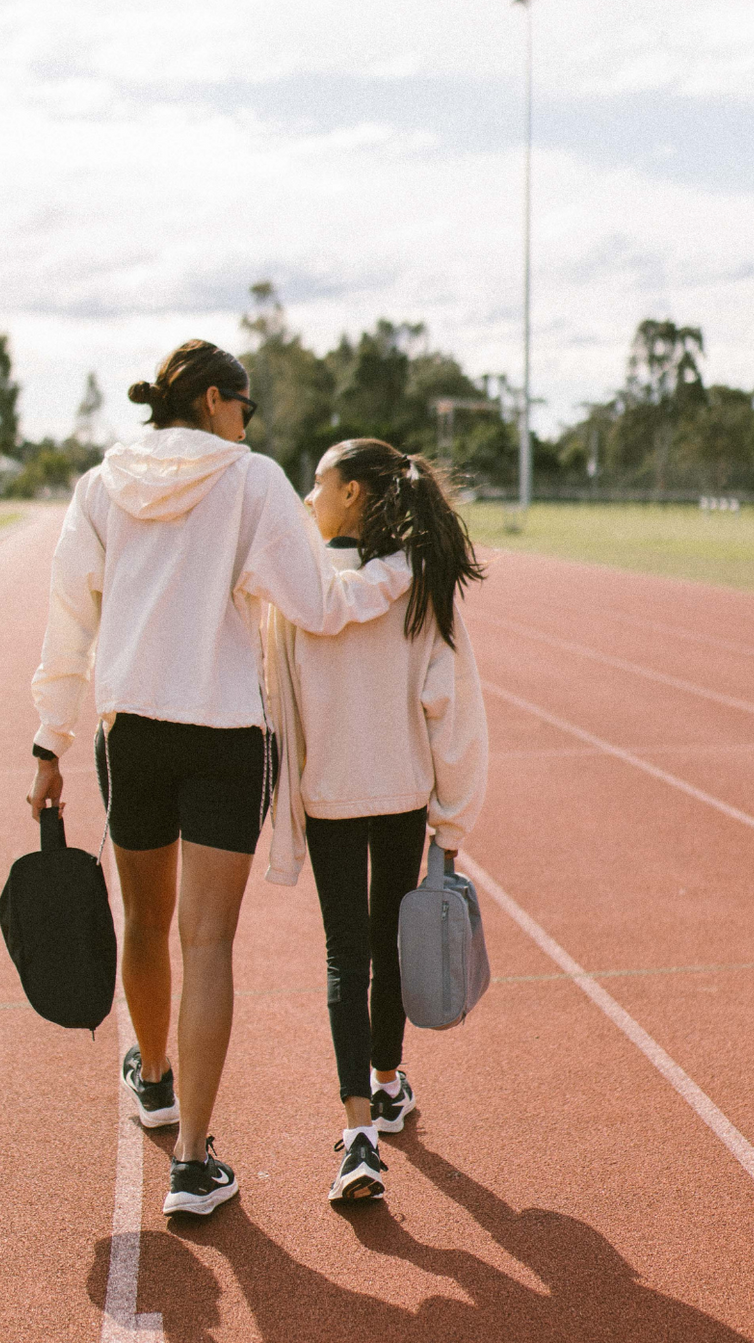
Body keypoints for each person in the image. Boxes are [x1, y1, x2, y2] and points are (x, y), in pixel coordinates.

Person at [27, 341, 412, 1218]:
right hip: (225, 736)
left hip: (133, 733)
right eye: (244, 406)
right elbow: (316, 605)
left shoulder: (99, 487)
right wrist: (393, 572)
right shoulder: (251, 480)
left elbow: (66, 621)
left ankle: (153, 1078)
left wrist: (48, 743)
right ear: (211, 401)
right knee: (206, 944)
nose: (249, 422)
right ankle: (193, 1163)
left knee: (146, 921)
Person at [263, 438, 488, 1204]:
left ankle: (358, 1130)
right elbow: (448, 703)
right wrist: (452, 824)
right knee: (390, 946)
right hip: (398, 790)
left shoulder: (294, 589)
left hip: (328, 794)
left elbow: (274, 693)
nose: (307, 493)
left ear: (353, 493)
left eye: (318, 481)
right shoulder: (422, 586)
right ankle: (387, 1081)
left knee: (343, 956)